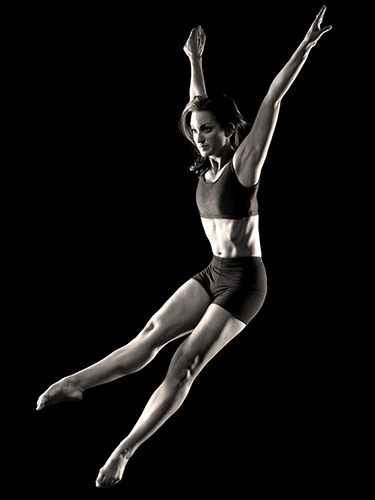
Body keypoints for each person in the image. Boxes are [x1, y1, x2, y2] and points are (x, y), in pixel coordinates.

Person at [36, 7, 332, 488]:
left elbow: (273, 101)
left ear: (229, 130)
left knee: (184, 362)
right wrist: (194, 59)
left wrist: (304, 47)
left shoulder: (244, 166)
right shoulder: (204, 161)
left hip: (244, 285)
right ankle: (73, 384)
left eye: (209, 130)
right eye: (195, 131)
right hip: (214, 270)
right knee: (150, 333)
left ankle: (123, 451)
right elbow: (197, 104)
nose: (199, 137)